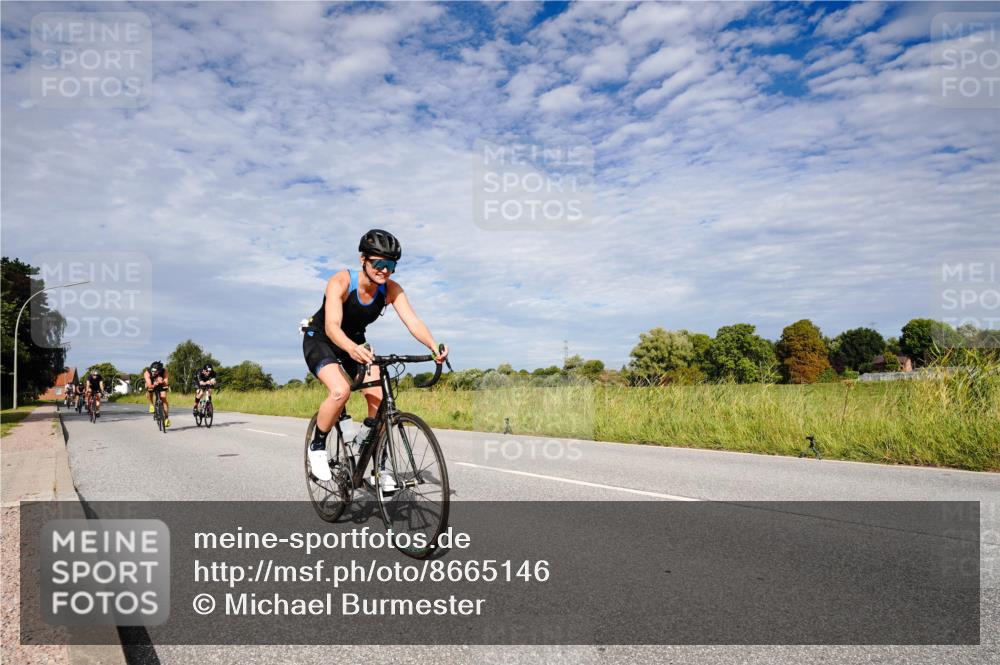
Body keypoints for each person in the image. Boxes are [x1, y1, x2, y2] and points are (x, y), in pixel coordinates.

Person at [302, 229, 448, 488]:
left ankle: (377, 466)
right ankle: (318, 446)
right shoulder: (342, 281)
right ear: (363, 260)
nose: (385, 270)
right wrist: (350, 348)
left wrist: (434, 345)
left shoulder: (390, 289)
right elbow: (333, 326)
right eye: (379, 263)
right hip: (322, 338)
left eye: (390, 265)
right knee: (340, 390)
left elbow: (413, 321)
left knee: (381, 401)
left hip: (356, 343)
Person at [144, 360, 171, 427]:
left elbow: (166, 383)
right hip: (152, 383)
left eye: (155, 371)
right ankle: (151, 404)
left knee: (163, 398)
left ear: (159, 371)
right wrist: (154, 384)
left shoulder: (164, 371)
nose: (153, 372)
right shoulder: (147, 373)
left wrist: (162, 381)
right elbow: (149, 384)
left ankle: (166, 418)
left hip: (161, 383)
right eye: (152, 371)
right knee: (149, 390)